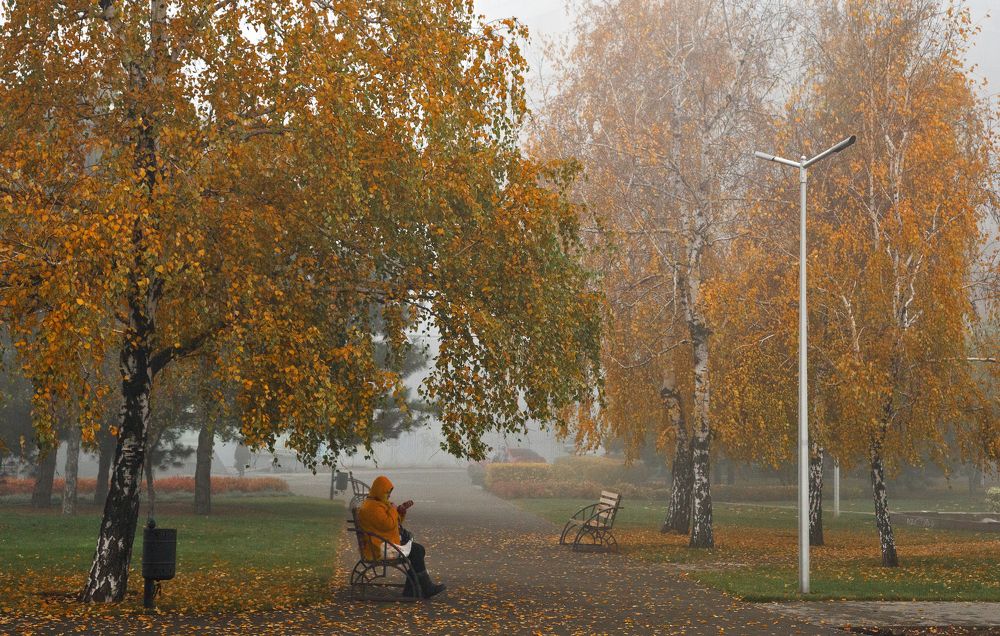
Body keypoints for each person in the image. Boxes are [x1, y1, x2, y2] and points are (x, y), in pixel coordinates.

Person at [357, 475, 446, 599]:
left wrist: (400, 511)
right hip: (379, 548)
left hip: (383, 543)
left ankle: (415, 589)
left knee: (418, 550)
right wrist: (394, 510)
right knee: (417, 551)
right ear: (380, 491)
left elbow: (392, 524)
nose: (389, 496)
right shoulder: (373, 508)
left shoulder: (376, 504)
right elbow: (389, 524)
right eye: (387, 493)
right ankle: (425, 588)